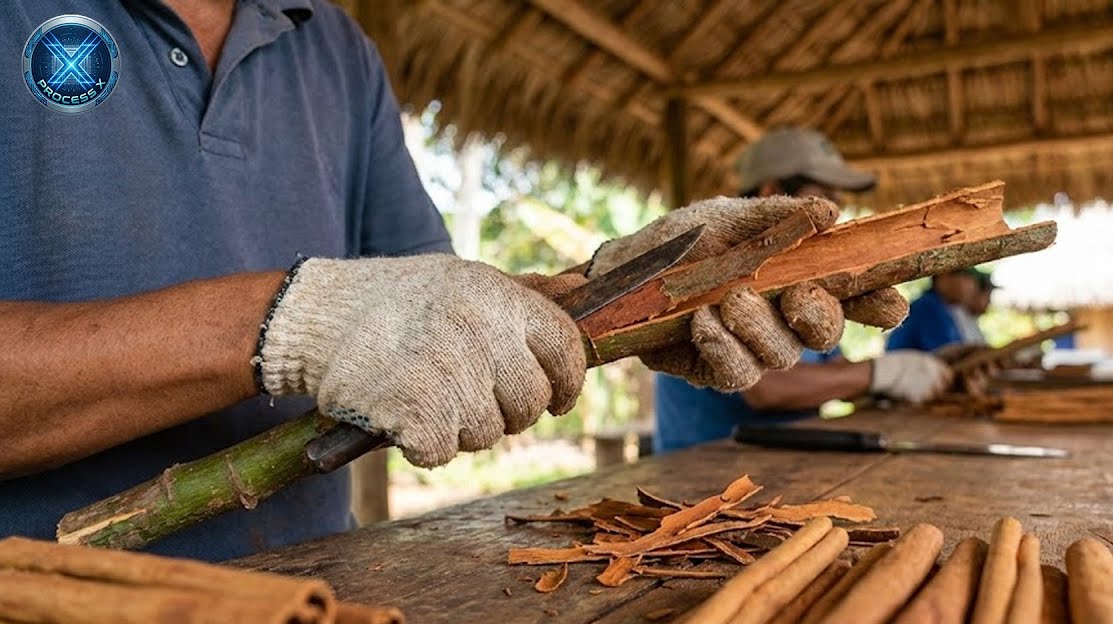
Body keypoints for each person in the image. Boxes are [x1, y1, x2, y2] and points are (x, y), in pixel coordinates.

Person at [1, 3, 867, 560]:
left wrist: (640, 286)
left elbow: (422, 315)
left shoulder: (331, 46)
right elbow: (338, 317)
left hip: (313, 609)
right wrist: (287, 325)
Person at [652, 128, 953, 454]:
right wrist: (880, 374)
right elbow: (766, 390)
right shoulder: (718, 267)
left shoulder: (796, 280)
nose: (835, 215)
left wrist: (917, 369)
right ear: (772, 192)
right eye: (824, 198)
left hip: (776, 467)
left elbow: (834, 370)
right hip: (700, 474)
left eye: (837, 202)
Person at [886, 270, 982, 353]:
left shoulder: (943, 309)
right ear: (944, 276)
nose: (973, 286)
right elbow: (951, 356)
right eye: (966, 277)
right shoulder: (928, 307)